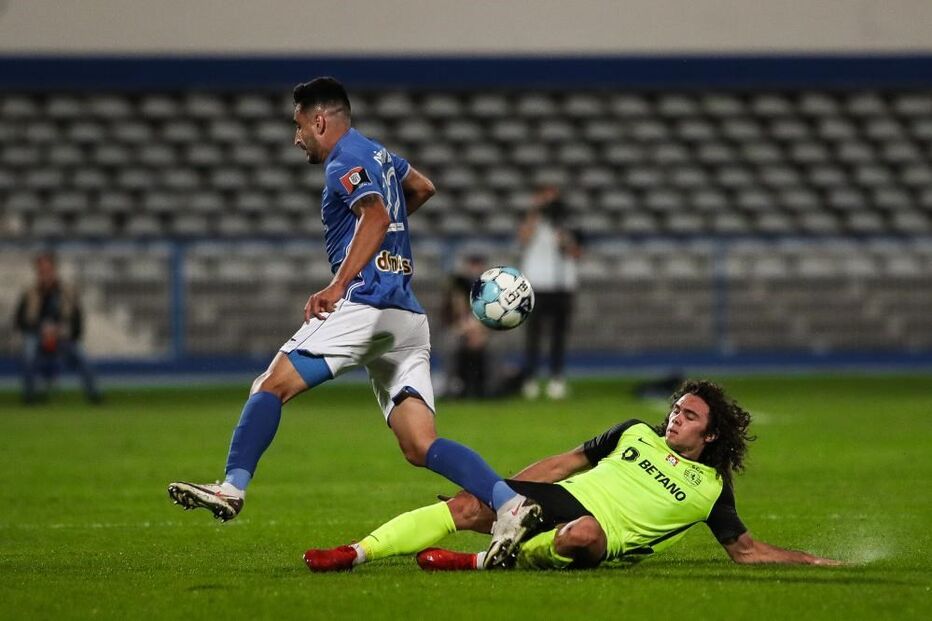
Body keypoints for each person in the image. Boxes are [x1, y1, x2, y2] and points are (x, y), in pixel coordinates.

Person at [167, 78, 534, 539]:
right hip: (405, 316)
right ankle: (511, 504)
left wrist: (341, 281)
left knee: (269, 385)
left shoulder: (343, 160)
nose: (296, 137)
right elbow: (421, 188)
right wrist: (382, 241)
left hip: (365, 302)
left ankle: (231, 487)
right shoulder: (378, 153)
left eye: (298, 125)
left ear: (319, 120)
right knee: (420, 445)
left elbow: (377, 216)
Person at [304, 380, 840, 572]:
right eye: (676, 409)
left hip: (599, 533)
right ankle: (354, 553)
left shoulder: (713, 490)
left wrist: (815, 560)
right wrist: (503, 493)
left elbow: (745, 551)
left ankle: (479, 562)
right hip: (561, 497)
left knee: (580, 536)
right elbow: (563, 464)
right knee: (468, 506)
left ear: (712, 435)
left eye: (689, 415)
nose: (675, 417)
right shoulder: (634, 432)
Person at [518, 185, 581, 400]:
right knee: (533, 335)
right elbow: (523, 238)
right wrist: (535, 212)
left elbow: (576, 252)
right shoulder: (534, 222)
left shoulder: (568, 224)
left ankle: (556, 378)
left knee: (558, 334)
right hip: (536, 283)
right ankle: (530, 379)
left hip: (562, 285)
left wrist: (563, 236)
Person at [14, 251, 102, 404]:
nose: (45, 273)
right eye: (41, 270)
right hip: (37, 336)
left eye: (48, 269)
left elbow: (77, 319)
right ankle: (28, 397)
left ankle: (94, 396)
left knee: (82, 356)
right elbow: (20, 320)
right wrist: (40, 329)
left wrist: (65, 332)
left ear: (54, 270)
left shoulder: (67, 291)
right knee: (29, 353)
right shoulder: (29, 292)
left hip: (63, 337)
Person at [441, 254, 489, 399]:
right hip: (460, 330)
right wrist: (463, 327)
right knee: (451, 341)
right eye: (472, 264)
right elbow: (448, 317)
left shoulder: (489, 288)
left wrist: (480, 329)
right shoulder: (457, 285)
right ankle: (452, 386)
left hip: (483, 331)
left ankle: (486, 386)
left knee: (489, 344)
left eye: (478, 264)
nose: (475, 268)